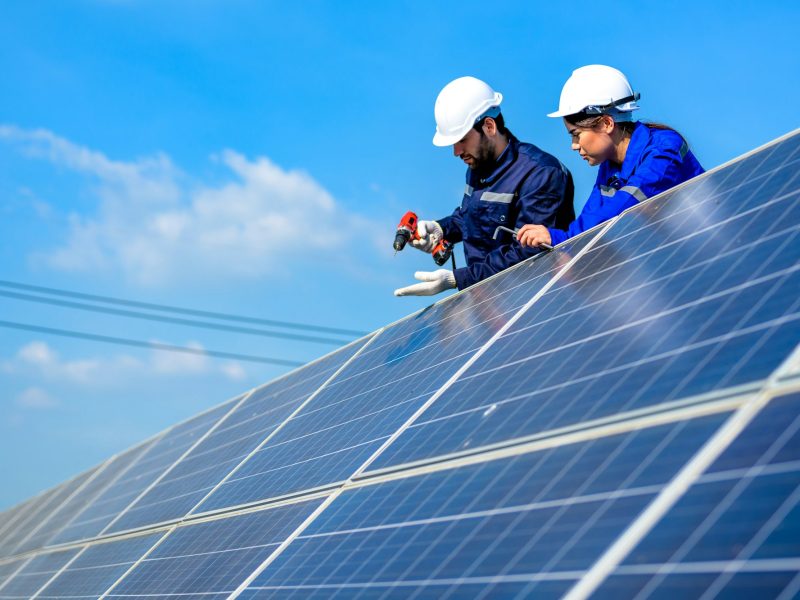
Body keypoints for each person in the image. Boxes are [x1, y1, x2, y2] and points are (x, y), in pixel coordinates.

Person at [394, 76, 575, 297]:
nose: (456, 152)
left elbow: (529, 254)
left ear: (489, 126)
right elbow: (471, 216)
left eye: (461, 139)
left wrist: (458, 279)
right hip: (489, 304)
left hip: (534, 302)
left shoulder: (541, 173)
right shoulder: (478, 166)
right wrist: (443, 229)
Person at [517, 65, 704, 249]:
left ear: (607, 123)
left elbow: (625, 208)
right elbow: (591, 218)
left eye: (576, 134)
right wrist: (562, 240)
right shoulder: (610, 167)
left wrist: (558, 238)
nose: (573, 146)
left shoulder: (664, 149)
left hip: (706, 247)